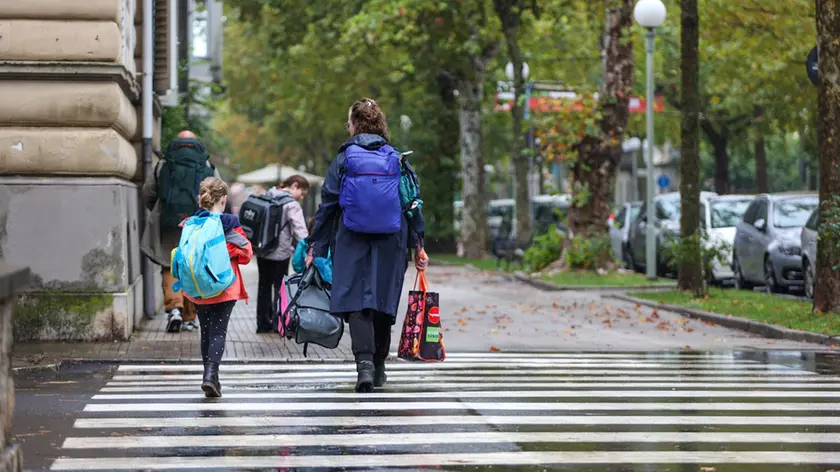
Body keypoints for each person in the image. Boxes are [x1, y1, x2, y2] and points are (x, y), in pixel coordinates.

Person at [307, 98, 429, 393]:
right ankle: (379, 365)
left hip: (351, 238)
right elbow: (410, 202)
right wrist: (418, 242)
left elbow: (328, 204)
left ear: (354, 124)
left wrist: (316, 246)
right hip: (392, 239)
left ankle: (363, 365)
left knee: (357, 301)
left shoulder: (344, 158)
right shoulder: (397, 157)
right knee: (383, 302)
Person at [141, 130, 221, 333]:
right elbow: (219, 195)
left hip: (168, 223)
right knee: (193, 267)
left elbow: (148, 192)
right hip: (197, 224)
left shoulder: (163, 164)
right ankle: (189, 316)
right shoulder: (207, 165)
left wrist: (160, 211)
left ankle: (174, 308)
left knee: (170, 266)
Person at [182, 177, 253, 397]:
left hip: (199, 287)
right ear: (223, 200)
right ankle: (211, 376)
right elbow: (246, 254)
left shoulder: (191, 223)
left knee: (206, 331)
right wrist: (225, 253)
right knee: (218, 331)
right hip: (225, 285)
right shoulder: (230, 222)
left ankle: (210, 377)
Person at [255, 175, 310, 333]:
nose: (301, 197)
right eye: (302, 193)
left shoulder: (267, 195)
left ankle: (262, 323)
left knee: (263, 286)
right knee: (280, 288)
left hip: (262, 250)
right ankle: (278, 323)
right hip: (281, 253)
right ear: (295, 185)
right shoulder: (291, 204)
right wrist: (309, 248)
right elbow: (301, 232)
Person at [292, 217, 333, 283]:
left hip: (306, 279)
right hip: (326, 283)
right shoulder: (329, 245)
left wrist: (303, 271)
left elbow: (296, 263)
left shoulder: (303, 242)